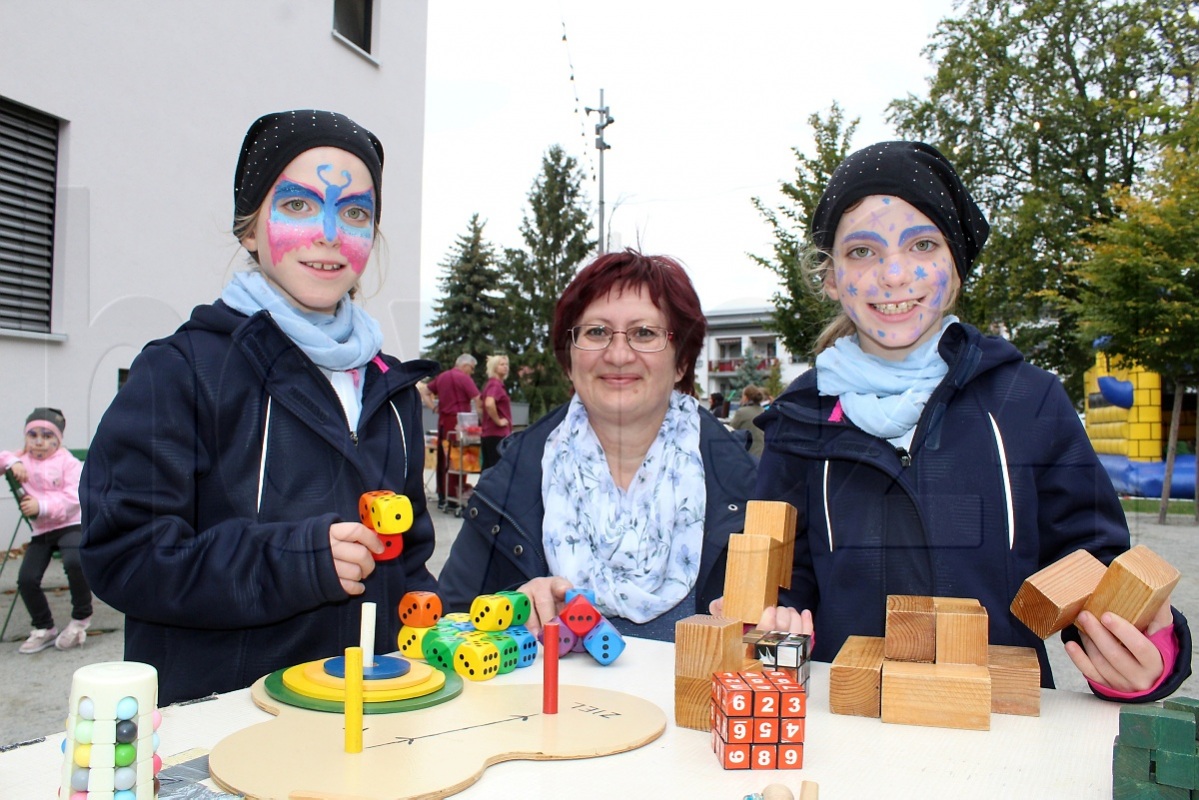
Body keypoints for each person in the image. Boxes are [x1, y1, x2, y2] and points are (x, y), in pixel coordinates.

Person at [754, 140, 1191, 700]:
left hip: (1001, 737)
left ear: (954, 266)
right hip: (854, 736)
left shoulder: (1030, 401)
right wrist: (764, 628)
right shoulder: (801, 417)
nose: (893, 274)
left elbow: (1098, 570)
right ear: (833, 277)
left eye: (923, 244)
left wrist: (1150, 658)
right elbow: (776, 587)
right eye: (862, 251)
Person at [80, 110, 438, 704]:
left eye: (354, 213)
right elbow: (125, 553)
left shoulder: (391, 390)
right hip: (227, 732)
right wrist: (296, 561)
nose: (328, 233)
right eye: (298, 205)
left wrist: (458, 629)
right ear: (249, 230)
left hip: (366, 721)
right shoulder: (180, 371)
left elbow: (410, 565)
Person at [438, 249, 807, 641]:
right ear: (570, 357)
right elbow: (449, 627)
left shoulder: (752, 491)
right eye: (596, 332)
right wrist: (507, 614)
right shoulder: (511, 483)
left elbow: (793, 634)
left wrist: (763, 636)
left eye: (644, 333)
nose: (617, 354)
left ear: (682, 361)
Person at [1, 408, 92, 653]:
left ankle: (80, 619)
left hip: (69, 524)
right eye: (33, 435)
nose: (40, 442)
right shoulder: (24, 460)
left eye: (47, 436)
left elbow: (74, 497)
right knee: (26, 578)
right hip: (41, 531)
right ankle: (44, 628)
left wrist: (40, 506)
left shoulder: (67, 462)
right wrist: (13, 461)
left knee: (75, 561)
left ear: (58, 440)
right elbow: (2, 458)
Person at [427, 354, 481, 509]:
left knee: (444, 459)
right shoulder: (464, 378)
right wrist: (480, 418)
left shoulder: (442, 377)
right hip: (459, 424)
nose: (472, 372)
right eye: (472, 368)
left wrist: (434, 407)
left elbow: (424, 391)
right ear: (465, 365)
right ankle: (455, 493)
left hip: (443, 422)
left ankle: (443, 494)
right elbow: (477, 398)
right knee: (458, 460)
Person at [479, 355, 513, 470]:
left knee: (488, 468)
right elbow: (489, 403)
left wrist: (483, 421)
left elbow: (479, 404)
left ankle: (483, 488)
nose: (505, 367)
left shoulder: (489, 384)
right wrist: (498, 421)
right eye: (501, 364)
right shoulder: (495, 385)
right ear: (494, 367)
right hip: (497, 433)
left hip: (488, 432)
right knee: (497, 469)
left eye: (506, 364)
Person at [728, 385, 766, 458]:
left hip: (748, 454)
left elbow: (730, 431)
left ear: (745, 397)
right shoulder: (763, 411)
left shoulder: (741, 412)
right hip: (763, 454)